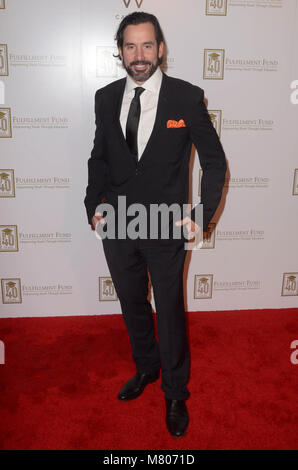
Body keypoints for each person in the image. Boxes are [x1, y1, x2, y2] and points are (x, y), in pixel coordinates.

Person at [84, 11, 226, 438]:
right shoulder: (106, 98)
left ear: (161, 49)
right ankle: (146, 368)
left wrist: (202, 214)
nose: (139, 55)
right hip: (117, 224)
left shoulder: (186, 97)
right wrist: (93, 202)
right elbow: (99, 158)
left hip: (167, 224)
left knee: (169, 308)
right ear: (120, 52)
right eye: (130, 46)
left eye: (147, 45)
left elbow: (215, 161)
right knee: (132, 302)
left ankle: (176, 391)